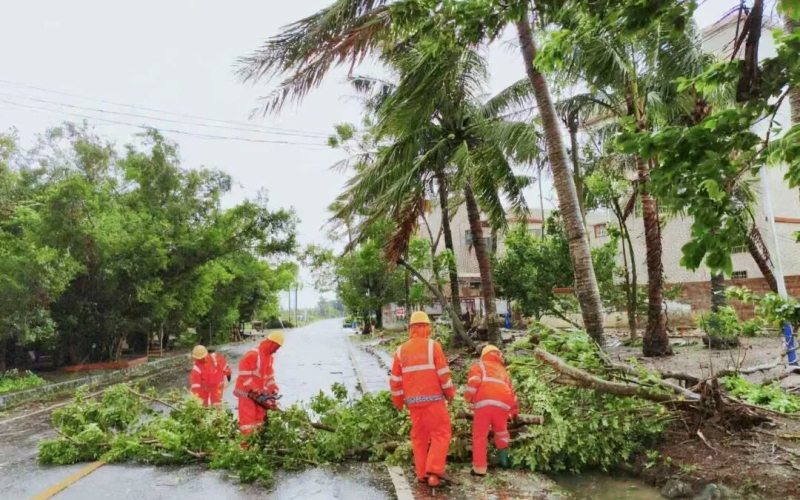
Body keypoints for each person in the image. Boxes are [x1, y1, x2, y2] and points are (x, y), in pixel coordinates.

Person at [390, 311, 455, 487]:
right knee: (441, 433)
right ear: (427, 327)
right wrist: (450, 394)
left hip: (413, 403)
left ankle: (421, 473)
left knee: (419, 437)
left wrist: (398, 402)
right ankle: (433, 473)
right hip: (434, 401)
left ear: (411, 328)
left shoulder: (400, 351)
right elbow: (444, 375)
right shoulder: (433, 346)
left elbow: (395, 381)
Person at [464, 344, 519, 476]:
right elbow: (512, 393)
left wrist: (468, 398)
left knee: (480, 435)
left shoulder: (479, 366)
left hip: (484, 403)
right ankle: (505, 462)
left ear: (483, 355)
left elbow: (473, 383)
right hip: (503, 405)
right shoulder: (503, 372)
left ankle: (479, 469)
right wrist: (514, 412)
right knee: (501, 432)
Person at [234, 331, 284, 435]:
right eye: (276, 348)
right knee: (248, 422)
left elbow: (269, 377)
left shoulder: (269, 358)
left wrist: (273, 389)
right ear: (271, 343)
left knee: (259, 420)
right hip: (245, 393)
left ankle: (257, 440)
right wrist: (254, 388)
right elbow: (244, 375)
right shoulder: (253, 355)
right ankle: (246, 443)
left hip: (257, 394)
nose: (276, 351)